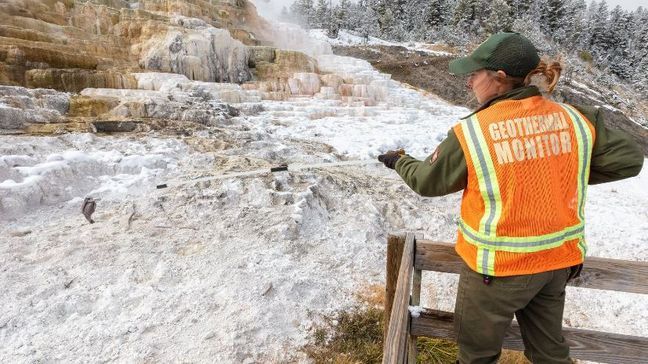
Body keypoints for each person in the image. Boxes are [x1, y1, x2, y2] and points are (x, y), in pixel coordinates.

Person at [378, 32, 644, 364]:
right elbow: (629, 158)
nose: (468, 83)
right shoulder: (573, 118)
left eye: (474, 74)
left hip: (497, 270)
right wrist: (555, 167)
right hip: (556, 264)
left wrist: (398, 160)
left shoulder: (476, 131)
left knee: (477, 356)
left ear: (500, 78)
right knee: (551, 354)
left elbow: (428, 181)